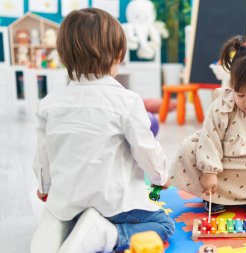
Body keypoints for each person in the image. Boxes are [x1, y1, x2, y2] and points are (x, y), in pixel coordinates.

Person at [30, 8, 174, 253]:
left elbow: (43, 158)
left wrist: (45, 188)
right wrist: (161, 177)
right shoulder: (127, 101)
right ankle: (107, 233)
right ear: (119, 55)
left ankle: (58, 225)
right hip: (114, 205)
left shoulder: (49, 104)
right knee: (164, 224)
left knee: (62, 209)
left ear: (64, 56)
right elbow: (146, 150)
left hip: (68, 200)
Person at [170, 35, 246, 215]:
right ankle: (213, 196)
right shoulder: (224, 106)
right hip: (219, 163)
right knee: (189, 147)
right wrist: (209, 170)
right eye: (240, 94)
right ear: (232, 85)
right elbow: (209, 137)